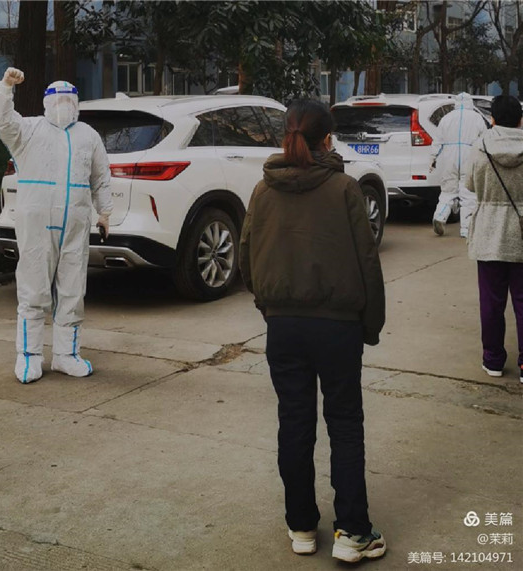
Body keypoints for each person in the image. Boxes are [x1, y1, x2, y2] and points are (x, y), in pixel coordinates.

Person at [239, 99, 386, 563]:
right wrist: (371, 324)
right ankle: (353, 532)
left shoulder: (263, 190)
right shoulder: (344, 188)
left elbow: (246, 255)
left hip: (283, 326)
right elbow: (367, 260)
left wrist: (269, 306)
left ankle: (301, 525)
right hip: (338, 327)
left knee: (294, 422)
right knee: (344, 424)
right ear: (328, 139)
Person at [0, 67, 113, 383]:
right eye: (57, 100)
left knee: (72, 289)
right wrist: (5, 88)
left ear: (76, 104)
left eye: (68, 100)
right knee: (33, 288)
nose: (63, 105)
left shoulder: (88, 136)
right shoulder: (28, 130)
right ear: (46, 103)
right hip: (37, 225)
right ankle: (29, 355)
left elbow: (100, 176)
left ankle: (66, 354)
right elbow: (2, 120)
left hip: (75, 225)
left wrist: (104, 212)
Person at [465, 95, 523, 383]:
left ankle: (493, 360)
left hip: (489, 233)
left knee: (491, 303)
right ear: (521, 120)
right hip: (520, 233)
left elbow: (470, 184)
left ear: (493, 119)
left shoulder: (480, 146)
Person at [430, 92, 487, 238]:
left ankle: (440, 216)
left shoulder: (446, 118)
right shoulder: (476, 118)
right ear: (470, 103)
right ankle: (466, 228)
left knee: (448, 190)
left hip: (448, 157)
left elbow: (437, 140)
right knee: (468, 193)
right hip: (470, 155)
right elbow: (483, 139)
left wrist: (433, 158)